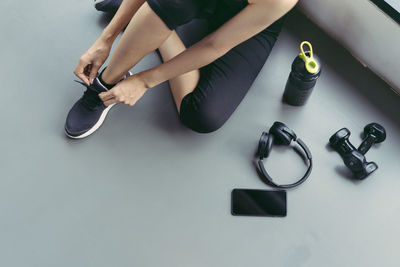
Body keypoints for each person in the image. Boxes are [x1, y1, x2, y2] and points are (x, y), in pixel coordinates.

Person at [65, 0, 298, 139]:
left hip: (248, 18)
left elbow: (215, 45)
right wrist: (105, 39)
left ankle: (154, 27)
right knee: (170, 3)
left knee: (202, 115)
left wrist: (145, 81)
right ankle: (104, 85)